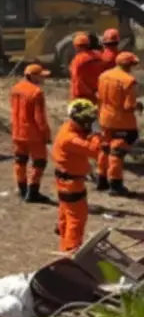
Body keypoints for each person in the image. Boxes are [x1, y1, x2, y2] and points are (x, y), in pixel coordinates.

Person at [53, 98, 103, 253]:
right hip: (71, 184)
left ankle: (64, 241)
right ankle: (71, 251)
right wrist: (96, 133)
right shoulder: (71, 139)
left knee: (65, 214)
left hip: (66, 179)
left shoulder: (68, 128)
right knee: (76, 219)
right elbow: (95, 151)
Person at [96, 51, 142, 195]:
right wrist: (138, 106)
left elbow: (98, 96)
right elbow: (128, 106)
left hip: (104, 118)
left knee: (104, 148)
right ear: (129, 65)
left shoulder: (103, 75)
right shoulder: (128, 80)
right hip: (122, 122)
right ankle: (115, 185)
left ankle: (101, 179)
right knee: (117, 151)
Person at [11, 63, 52, 203]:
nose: (43, 79)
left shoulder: (15, 89)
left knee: (20, 160)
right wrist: (46, 134)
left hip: (17, 132)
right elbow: (39, 118)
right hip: (33, 134)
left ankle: (22, 189)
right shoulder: (36, 92)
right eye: (41, 76)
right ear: (33, 77)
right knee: (39, 162)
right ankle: (32, 192)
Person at [68, 32, 102, 103]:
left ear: (76, 46)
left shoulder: (77, 60)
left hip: (80, 95)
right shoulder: (98, 55)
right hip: (95, 92)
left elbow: (76, 78)